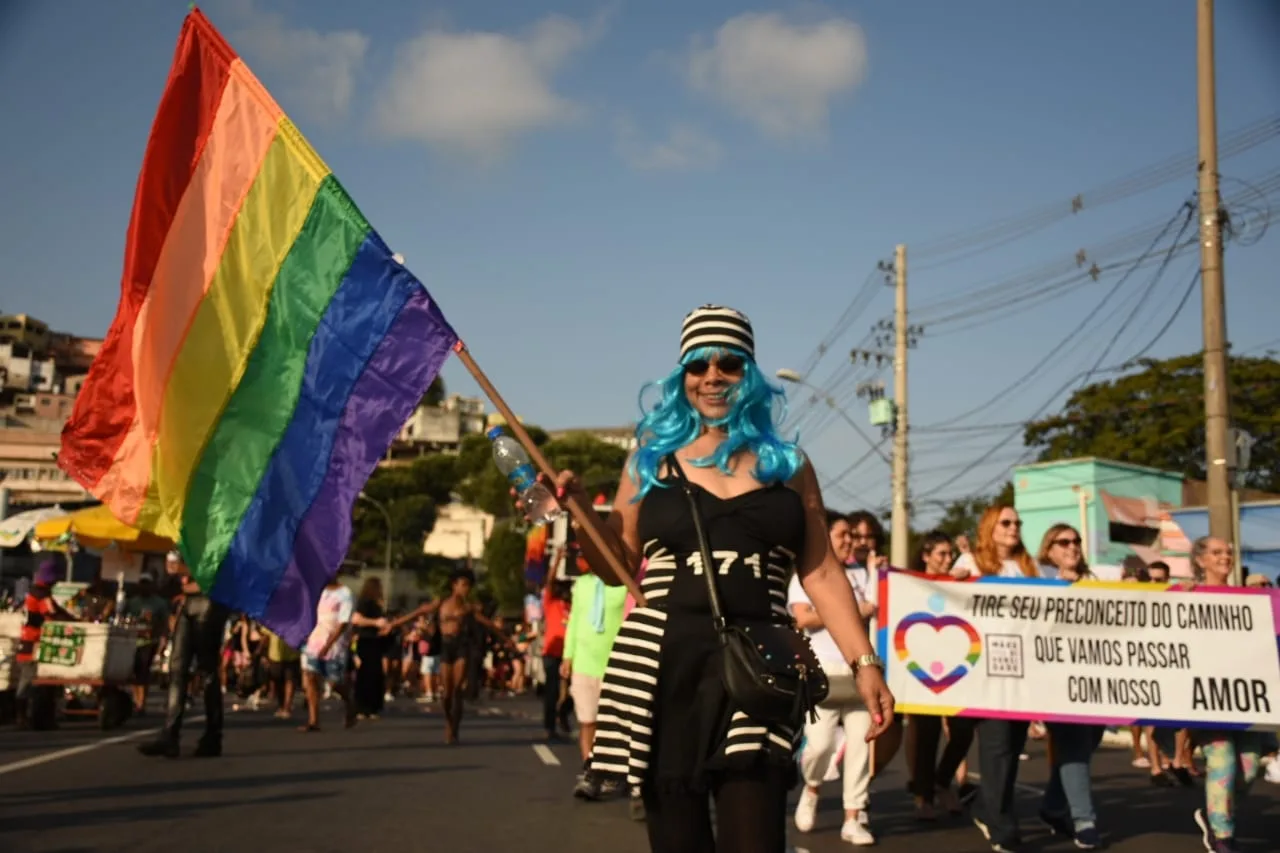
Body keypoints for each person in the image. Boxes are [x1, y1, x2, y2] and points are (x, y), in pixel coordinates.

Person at [540, 305, 894, 853]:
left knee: (754, 834)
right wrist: (581, 508)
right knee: (677, 837)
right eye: (698, 365)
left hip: (762, 666)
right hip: (664, 667)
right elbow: (616, 569)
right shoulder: (649, 462)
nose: (712, 377)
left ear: (748, 374)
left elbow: (822, 570)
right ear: (681, 377)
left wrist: (864, 662)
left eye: (728, 364)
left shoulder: (788, 464)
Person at [952, 505, 1039, 852]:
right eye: (1006, 522)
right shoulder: (972, 564)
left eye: (1018, 522)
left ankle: (987, 807)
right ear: (990, 526)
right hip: (987, 671)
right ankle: (1002, 825)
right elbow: (947, 594)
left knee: (1013, 747)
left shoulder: (1031, 567)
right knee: (996, 746)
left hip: (1024, 671)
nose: (1014, 527)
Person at [790, 510, 878, 845]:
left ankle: (853, 817)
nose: (849, 542)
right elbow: (803, 618)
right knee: (819, 745)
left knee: (860, 747)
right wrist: (850, 613)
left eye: (852, 536)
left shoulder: (862, 574)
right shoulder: (806, 574)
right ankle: (812, 788)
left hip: (859, 674)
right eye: (842, 535)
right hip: (821, 673)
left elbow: (881, 608)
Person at [1035, 524, 1103, 850]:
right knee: (1074, 743)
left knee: (1089, 740)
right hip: (1055, 680)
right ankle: (1084, 819)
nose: (1072, 547)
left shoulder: (1096, 581)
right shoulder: (1037, 582)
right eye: (1064, 542)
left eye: (1076, 541)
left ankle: (1051, 806)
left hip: (1094, 680)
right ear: (1049, 549)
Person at [139, 551, 230, 758]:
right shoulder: (187, 531)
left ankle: (213, 736)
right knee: (177, 668)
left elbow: (218, 571)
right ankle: (170, 735)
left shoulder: (221, 531)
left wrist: (184, 569)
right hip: (189, 603)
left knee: (207, 671)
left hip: (211, 603)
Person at [563, 563, 629, 799]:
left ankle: (613, 773)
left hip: (615, 662)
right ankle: (590, 771)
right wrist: (567, 656)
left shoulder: (623, 585)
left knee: (612, 723)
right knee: (587, 721)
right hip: (584, 663)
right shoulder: (581, 585)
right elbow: (574, 621)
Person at [435, 569, 513, 744]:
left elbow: (489, 624)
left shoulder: (468, 608)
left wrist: (506, 639)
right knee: (446, 694)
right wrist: (393, 624)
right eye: (462, 585)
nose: (465, 589)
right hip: (446, 646)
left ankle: (454, 727)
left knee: (456, 689)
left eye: (468, 586)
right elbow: (418, 612)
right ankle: (449, 720)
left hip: (461, 647)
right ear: (454, 585)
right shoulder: (441, 603)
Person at [15, 557, 76, 730]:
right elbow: (52, 614)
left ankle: (26, 717)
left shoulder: (35, 591)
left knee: (28, 681)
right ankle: (25, 717)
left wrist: (73, 618)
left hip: (27, 641)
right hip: (33, 643)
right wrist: (73, 622)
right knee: (31, 682)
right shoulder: (41, 593)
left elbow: (57, 610)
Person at [120, 570, 171, 715]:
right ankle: (136, 700)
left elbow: (164, 623)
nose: (144, 587)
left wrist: (163, 638)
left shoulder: (159, 603)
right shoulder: (132, 602)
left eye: (147, 584)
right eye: (142, 584)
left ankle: (141, 702)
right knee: (133, 672)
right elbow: (123, 617)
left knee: (143, 671)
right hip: (132, 640)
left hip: (149, 641)